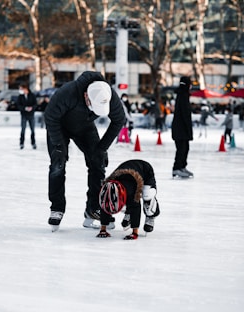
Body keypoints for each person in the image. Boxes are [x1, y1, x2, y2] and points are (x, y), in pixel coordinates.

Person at [44, 71, 125, 231]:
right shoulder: (68, 92)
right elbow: (50, 116)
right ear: (86, 95)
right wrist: (59, 147)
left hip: (85, 127)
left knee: (98, 162)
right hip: (59, 127)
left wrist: (102, 148)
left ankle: (93, 209)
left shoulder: (109, 94)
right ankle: (57, 208)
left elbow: (119, 120)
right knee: (57, 165)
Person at [96, 159, 160, 240]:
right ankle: (128, 212)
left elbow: (136, 207)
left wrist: (134, 232)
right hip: (126, 172)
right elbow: (104, 206)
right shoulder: (105, 192)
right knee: (118, 202)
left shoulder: (130, 191)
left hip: (145, 170)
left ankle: (151, 215)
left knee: (148, 195)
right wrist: (103, 230)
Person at [171, 76, 194, 178]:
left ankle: (182, 167)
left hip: (181, 128)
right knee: (181, 149)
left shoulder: (182, 95)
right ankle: (177, 168)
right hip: (181, 128)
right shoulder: (183, 96)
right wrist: (188, 129)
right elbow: (185, 114)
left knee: (185, 148)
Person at [16, 83, 37, 149]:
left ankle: (33, 143)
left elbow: (35, 104)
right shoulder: (20, 96)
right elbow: (18, 105)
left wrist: (32, 108)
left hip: (31, 115)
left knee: (32, 130)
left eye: (21, 89)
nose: (20, 90)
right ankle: (21, 143)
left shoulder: (32, 95)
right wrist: (24, 108)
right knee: (23, 129)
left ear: (25, 89)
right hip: (24, 115)